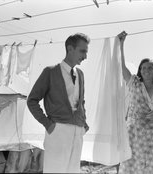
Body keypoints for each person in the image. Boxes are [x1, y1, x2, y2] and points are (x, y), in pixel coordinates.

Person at [27, 33, 90, 173]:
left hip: (77, 131)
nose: (85, 56)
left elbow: (81, 102)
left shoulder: (80, 74)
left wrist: (83, 123)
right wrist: (47, 124)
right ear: (70, 49)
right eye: (82, 51)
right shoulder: (50, 72)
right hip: (57, 130)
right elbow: (32, 100)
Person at [117, 31, 153, 174]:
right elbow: (123, 69)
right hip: (135, 132)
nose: (146, 70)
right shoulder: (134, 83)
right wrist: (121, 45)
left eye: (149, 67)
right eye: (143, 68)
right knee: (132, 165)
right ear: (140, 71)